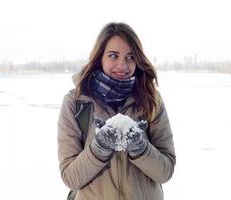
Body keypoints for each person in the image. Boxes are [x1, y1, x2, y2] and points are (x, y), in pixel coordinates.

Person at [57, 22, 176, 200]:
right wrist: (100, 148)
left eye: (130, 57)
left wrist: (140, 148)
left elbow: (165, 172)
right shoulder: (76, 103)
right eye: (113, 56)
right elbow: (70, 177)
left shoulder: (151, 100)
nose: (123, 65)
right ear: (100, 58)